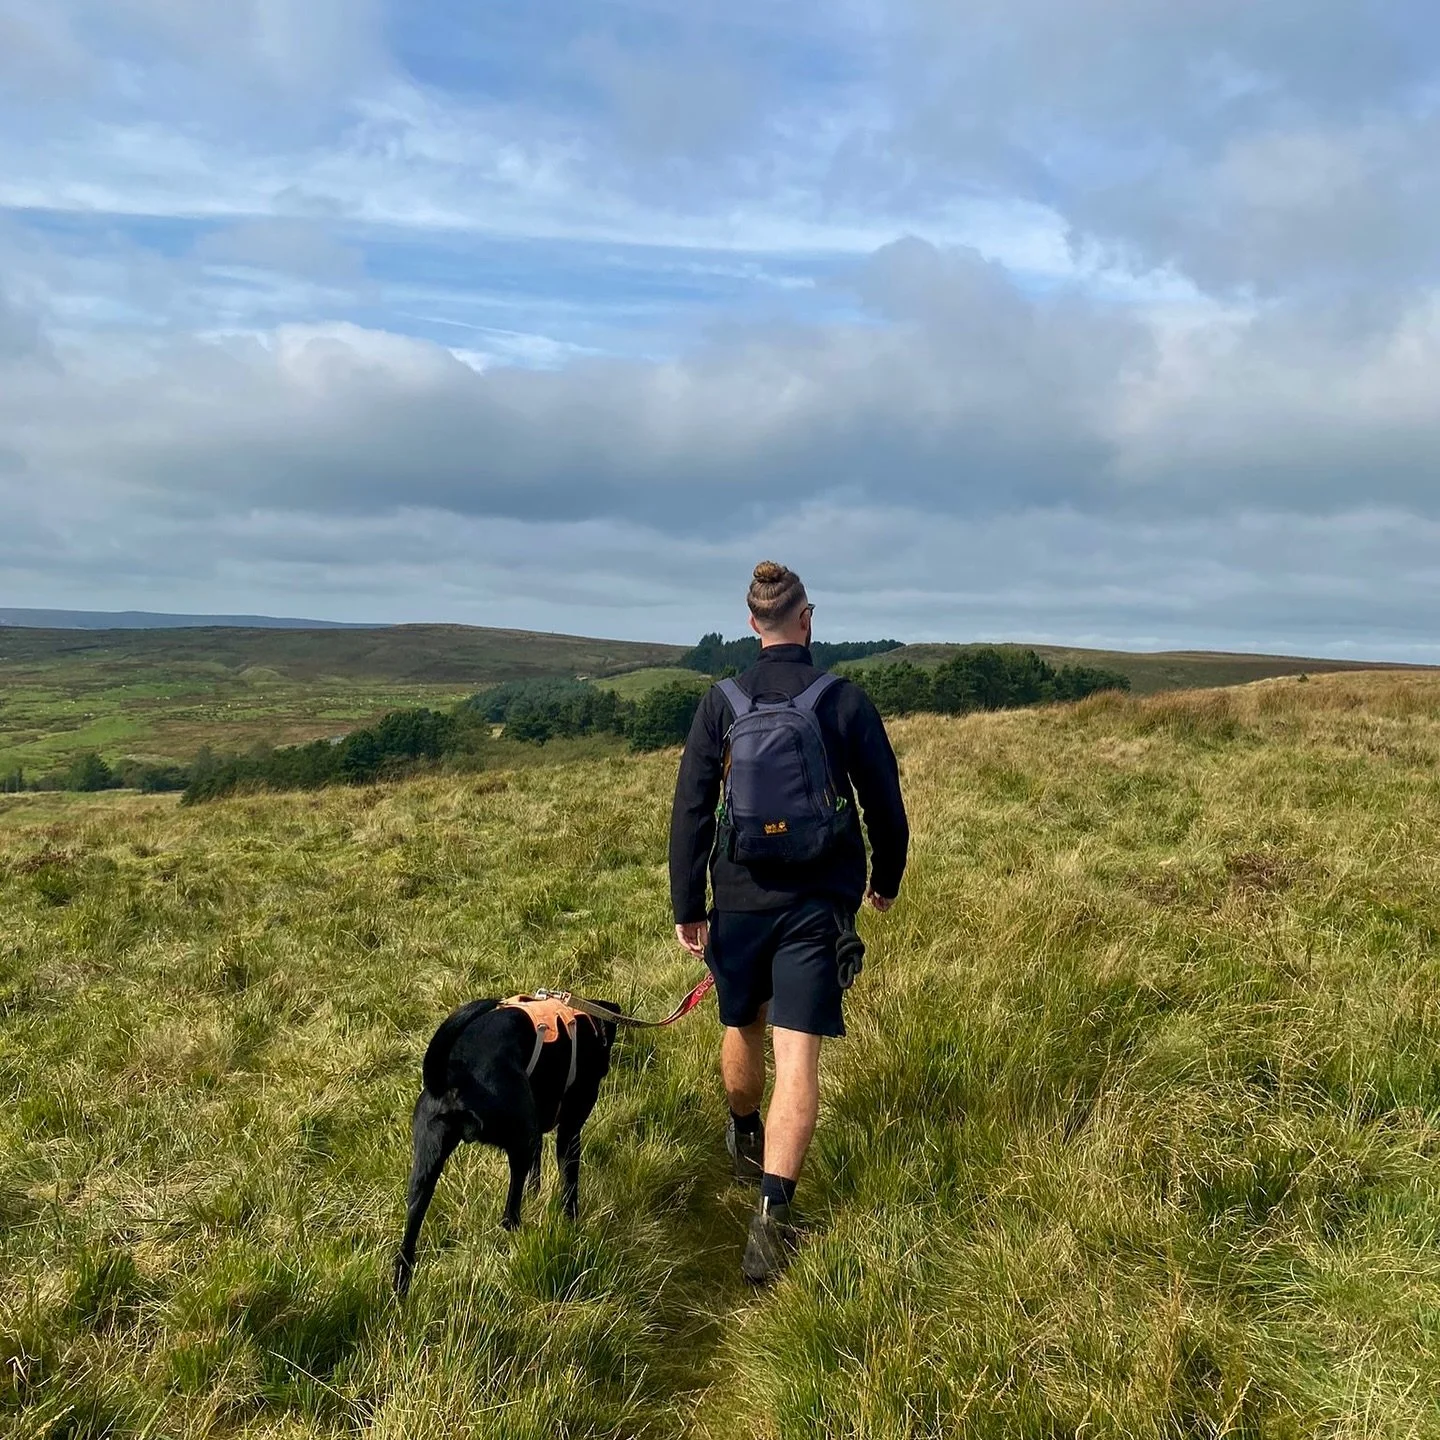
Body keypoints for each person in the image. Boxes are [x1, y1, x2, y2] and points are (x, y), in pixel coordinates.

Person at [669, 561, 909, 1283]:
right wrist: (885, 881)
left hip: (738, 897)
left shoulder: (722, 702)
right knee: (797, 1057)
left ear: (752, 626)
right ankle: (770, 1231)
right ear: (807, 619)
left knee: (739, 1026)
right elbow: (884, 804)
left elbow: (689, 805)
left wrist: (690, 906)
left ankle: (744, 1134)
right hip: (816, 903)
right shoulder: (843, 700)